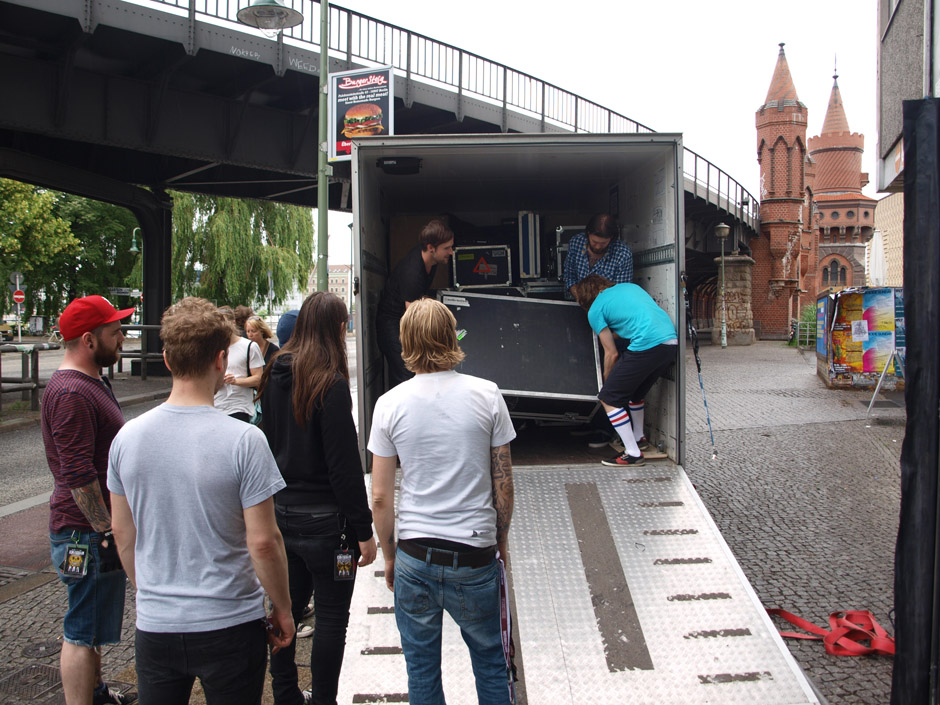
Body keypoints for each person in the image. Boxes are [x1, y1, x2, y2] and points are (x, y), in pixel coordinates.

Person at [107, 297, 294, 705]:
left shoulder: (127, 439)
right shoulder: (244, 441)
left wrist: (153, 592)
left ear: (168, 360)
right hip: (230, 623)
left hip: (157, 625)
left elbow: (123, 533)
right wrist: (282, 607)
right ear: (221, 360)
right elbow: (264, 542)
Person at [369, 298, 516, 705]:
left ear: (405, 341)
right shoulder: (487, 396)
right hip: (474, 553)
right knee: (490, 662)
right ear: (452, 336)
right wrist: (499, 541)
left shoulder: (389, 404)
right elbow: (503, 484)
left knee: (421, 671)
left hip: (416, 554)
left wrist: (390, 554)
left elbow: (380, 496)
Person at [258, 292, 377, 705]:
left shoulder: (274, 371)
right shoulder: (329, 382)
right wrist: (364, 531)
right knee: (330, 621)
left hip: (281, 516)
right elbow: (343, 467)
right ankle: (324, 698)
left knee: (282, 611)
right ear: (336, 328)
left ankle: (286, 693)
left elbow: (266, 442)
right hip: (328, 528)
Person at [40, 295, 136, 705]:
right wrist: (106, 529)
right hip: (84, 533)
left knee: (90, 624)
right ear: (88, 340)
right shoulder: (72, 394)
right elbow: (78, 475)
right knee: (81, 630)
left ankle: (97, 694)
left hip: (88, 532)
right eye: (115, 331)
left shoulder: (90, 383)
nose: (123, 337)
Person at [570, 275, 678, 467]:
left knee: (608, 398)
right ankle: (638, 438)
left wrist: (606, 380)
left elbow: (611, 353)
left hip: (647, 343)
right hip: (670, 343)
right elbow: (629, 323)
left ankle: (632, 453)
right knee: (635, 394)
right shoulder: (630, 288)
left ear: (584, 297)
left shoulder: (595, 309)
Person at [375, 219, 455, 388]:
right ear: (431, 248)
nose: (451, 252)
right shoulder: (412, 272)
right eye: (446, 248)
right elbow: (414, 319)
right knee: (406, 375)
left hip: (402, 319)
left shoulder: (431, 262)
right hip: (392, 325)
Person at [562, 213, 634, 294]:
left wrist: (598, 304)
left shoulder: (623, 254)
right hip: (576, 300)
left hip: (607, 304)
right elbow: (569, 276)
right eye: (594, 242)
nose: (598, 247)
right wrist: (580, 298)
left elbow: (620, 291)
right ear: (588, 233)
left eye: (603, 243)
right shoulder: (576, 242)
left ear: (612, 238)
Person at [215, 306, 264, 422]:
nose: (221, 328)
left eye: (224, 324)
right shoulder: (212, 347)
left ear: (233, 323)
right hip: (216, 406)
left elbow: (259, 378)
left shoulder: (249, 346)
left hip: (239, 407)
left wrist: (236, 381)